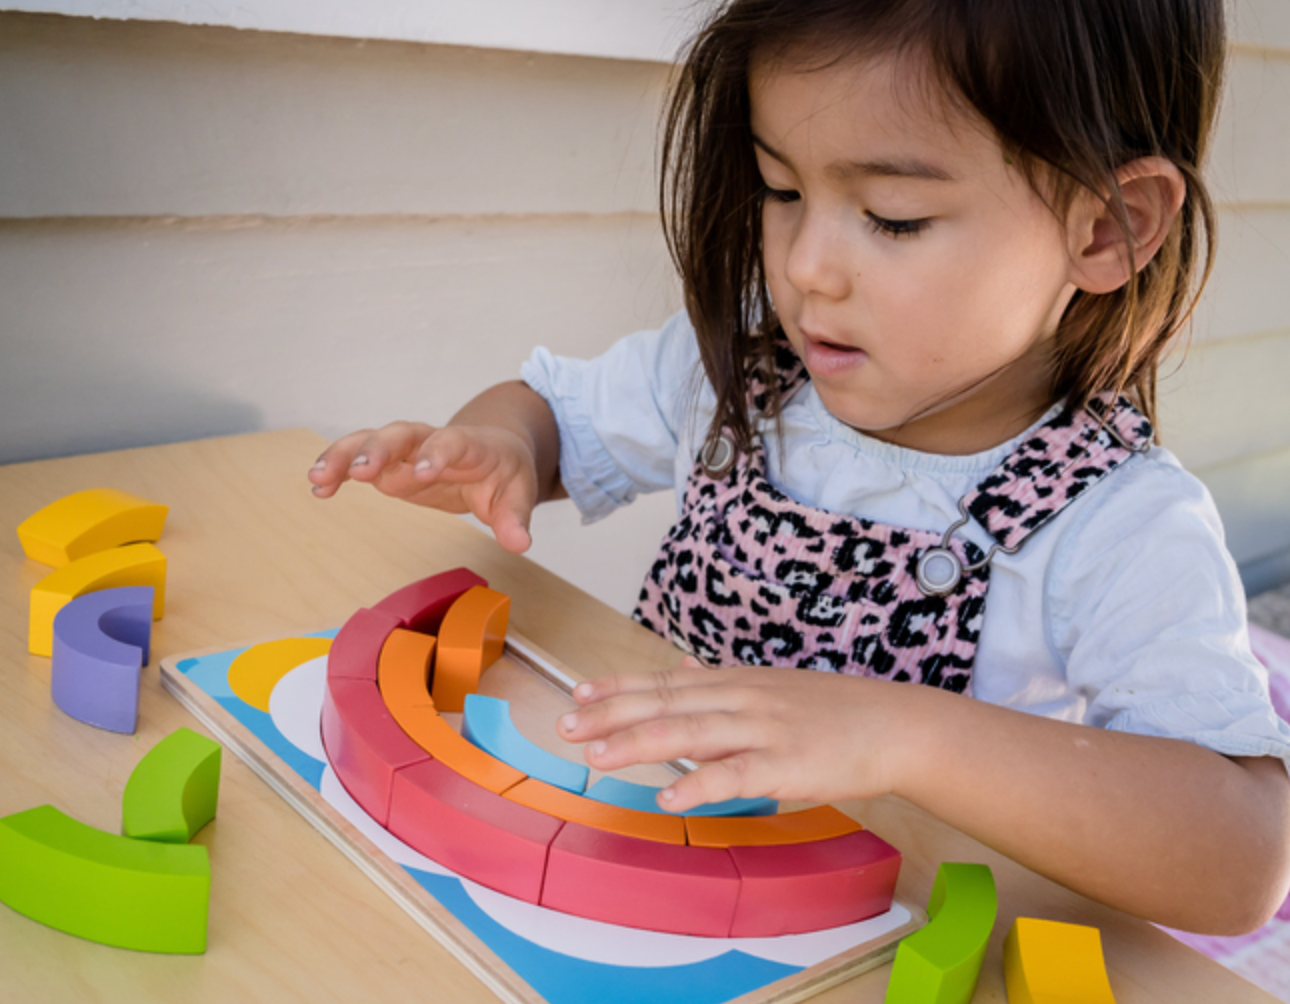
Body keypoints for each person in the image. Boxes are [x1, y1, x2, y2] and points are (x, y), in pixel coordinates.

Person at [308, 0, 1290, 935]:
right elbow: (552, 415)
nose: (807, 265)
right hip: (641, 867)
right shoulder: (738, 378)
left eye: (894, 216)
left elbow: (1243, 856)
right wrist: (501, 444)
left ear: (1106, 228)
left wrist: (910, 734)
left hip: (897, 943)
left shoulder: (1119, 523)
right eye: (783, 190)